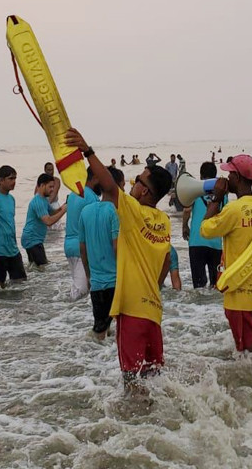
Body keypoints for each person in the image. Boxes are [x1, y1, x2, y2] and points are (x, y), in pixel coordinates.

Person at [65, 128, 174, 383]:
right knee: (153, 377)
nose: (134, 182)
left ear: (144, 191)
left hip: (132, 311)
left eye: (139, 179)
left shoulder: (133, 211)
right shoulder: (164, 221)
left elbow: (108, 186)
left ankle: (136, 422)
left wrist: (87, 150)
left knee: (131, 379)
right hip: (153, 312)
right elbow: (167, 261)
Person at [200, 154, 252, 353]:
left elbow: (205, 229)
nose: (227, 178)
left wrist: (217, 197)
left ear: (237, 178)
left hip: (238, 287)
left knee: (245, 351)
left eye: (229, 174)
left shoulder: (233, 210)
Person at [80, 165, 123, 340]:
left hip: (97, 283)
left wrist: (89, 275)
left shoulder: (86, 211)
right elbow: (116, 247)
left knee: (100, 330)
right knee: (121, 330)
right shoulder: (114, 212)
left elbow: (82, 248)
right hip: (115, 281)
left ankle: (92, 363)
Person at [182, 162, 227, 289]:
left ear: (201, 176)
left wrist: (185, 226)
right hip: (216, 243)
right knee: (216, 284)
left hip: (197, 241)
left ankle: (199, 309)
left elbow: (186, 211)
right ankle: (213, 308)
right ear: (215, 175)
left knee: (199, 285)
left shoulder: (194, 191)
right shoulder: (223, 194)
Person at [0, 166, 26, 288]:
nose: (14, 182)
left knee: (21, 283)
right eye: (10, 179)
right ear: (1, 180)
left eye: (15, 178)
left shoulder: (11, 199)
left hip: (13, 250)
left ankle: (15, 307)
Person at [64, 168, 102, 301]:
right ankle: (66, 317)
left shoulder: (74, 192)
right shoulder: (91, 197)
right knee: (80, 293)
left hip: (69, 246)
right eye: (101, 179)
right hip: (82, 248)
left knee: (77, 288)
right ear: (94, 178)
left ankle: (66, 315)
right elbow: (95, 228)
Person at [20, 173, 67, 268]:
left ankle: (32, 282)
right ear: (42, 185)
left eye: (53, 187)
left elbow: (52, 212)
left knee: (35, 268)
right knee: (43, 267)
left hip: (34, 239)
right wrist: (64, 210)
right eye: (50, 187)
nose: (52, 190)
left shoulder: (44, 200)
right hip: (32, 239)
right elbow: (48, 221)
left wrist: (65, 205)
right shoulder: (38, 201)